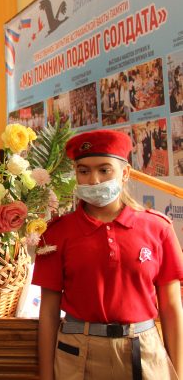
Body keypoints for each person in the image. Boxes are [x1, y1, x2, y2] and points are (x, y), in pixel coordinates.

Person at [34, 129, 183, 380]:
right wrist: (46, 375)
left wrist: (178, 373)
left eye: (104, 170)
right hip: (77, 354)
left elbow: (171, 307)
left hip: (144, 352)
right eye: (84, 170)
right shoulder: (57, 233)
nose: (93, 180)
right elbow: (48, 311)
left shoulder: (158, 228)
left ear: (124, 173)